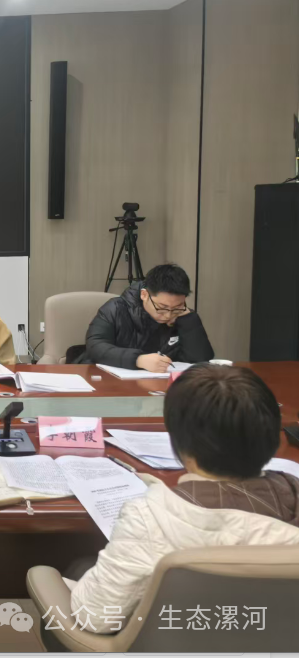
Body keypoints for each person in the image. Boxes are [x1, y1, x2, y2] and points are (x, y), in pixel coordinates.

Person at [67, 365, 299, 634]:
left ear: (180, 445)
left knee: (78, 569)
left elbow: (96, 617)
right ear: (273, 438)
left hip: (171, 640)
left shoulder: (148, 518)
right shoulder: (291, 491)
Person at [82, 263, 214, 372]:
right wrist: (138, 359)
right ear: (144, 295)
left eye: (177, 306)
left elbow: (200, 360)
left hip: (163, 387)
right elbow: (95, 346)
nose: (168, 315)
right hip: (111, 383)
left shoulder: (183, 315)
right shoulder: (115, 308)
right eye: (162, 307)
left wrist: (189, 320)